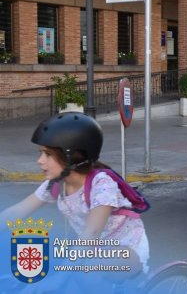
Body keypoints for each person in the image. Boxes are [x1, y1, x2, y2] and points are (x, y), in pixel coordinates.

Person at [0, 112, 150, 280]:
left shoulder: (101, 185)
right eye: (40, 153)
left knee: (80, 273)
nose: (40, 161)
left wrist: (59, 278)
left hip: (125, 249)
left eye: (48, 154)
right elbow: (15, 213)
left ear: (72, 157)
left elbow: (91, 233)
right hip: (91, 250)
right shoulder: (57, 183)